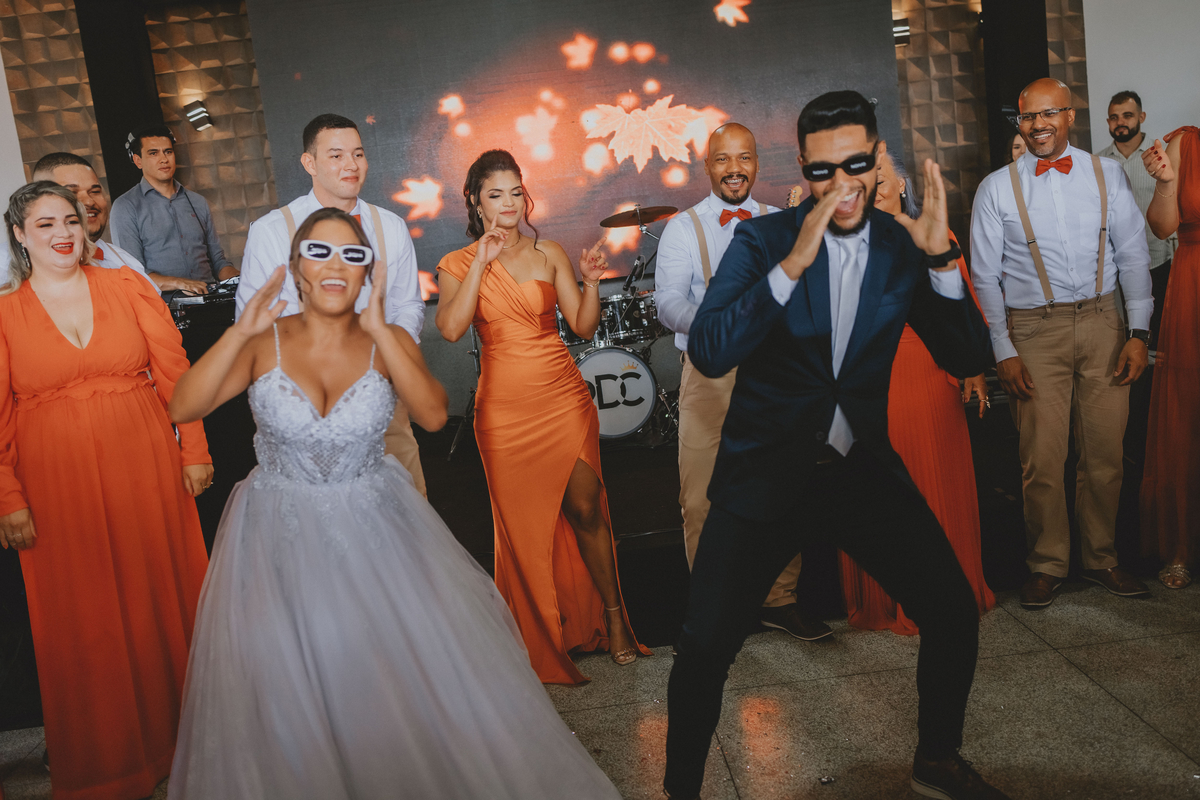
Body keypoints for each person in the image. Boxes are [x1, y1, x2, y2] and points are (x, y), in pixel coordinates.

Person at [166, 207, 620, 798]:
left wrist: (381, 328)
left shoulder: (385, 341)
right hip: (280, 534)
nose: (335, 265)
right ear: (297, 268)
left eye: (352, 255)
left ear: (367, 272)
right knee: (297, 672)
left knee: (383, 668)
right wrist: (238, 331)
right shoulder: (262, 342)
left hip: (373, 526)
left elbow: (432, 414)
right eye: (319, 252)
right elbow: (183, 405)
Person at [664, 91, 1005, 800]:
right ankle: (680, 790)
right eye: (823, 171)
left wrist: (942, 259)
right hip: (765, 474)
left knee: (951, 610)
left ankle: (937, 761)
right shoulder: (763, 242)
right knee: (704, 646)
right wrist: (790, 267)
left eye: (856, 165)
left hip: (860, 471)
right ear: (803, 168)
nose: (842, 183)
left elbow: (967, 353)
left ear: (877, 160)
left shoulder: (901, 246)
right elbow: (710, 348)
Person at [0, 181, 211, 799]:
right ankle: (114, 763)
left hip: (144, 463)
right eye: (45, 224)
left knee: (161, 596)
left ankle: (190, 743)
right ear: (19, 235)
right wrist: (8, 498)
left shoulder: (126, 286)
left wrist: (194, 450)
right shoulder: (4, 314)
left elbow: (175, 373)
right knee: (83, 619)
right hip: (54, 482)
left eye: (70, 220)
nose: (63, 233)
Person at [435, 149, 650, 684]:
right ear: (475, 202)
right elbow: (451, 329)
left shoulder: (548, 251)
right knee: (524, 530)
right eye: (495, 194)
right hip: (503, 412)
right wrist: (481, 261)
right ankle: (545, 636)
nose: (509, 203)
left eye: (516, 192)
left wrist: (591, 282)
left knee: (586, 508)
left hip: (561, 398)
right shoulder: (456, 263)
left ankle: (614, 618)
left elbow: (582, 326)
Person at [970, 77, 1154, 609]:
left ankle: (1101, 557)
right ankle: (1046, 564)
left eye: (1049, 113)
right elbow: (984, 278)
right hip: (1032, 331)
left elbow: (1133, 255)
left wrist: (1139, 333)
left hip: (1104, 323)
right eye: (1028, 116)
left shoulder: (1107, 175)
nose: (1038, 125)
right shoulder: (996, 188)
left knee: (1105, 453)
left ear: (1070, 116)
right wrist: (1002, 348)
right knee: (1042, 458)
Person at [655, 123, 829, 641]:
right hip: (709, 372)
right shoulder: (683, 228)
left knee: (780, 489)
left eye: (744, 157)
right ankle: (713, 611)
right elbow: (668, 302)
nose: (735, 168)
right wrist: (719, 323)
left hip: (773, 373)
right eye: (723, 159)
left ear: (756, 163)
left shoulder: (780, 222)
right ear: (708, 166)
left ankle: (780, 600)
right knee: (700, 497)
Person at [837, 149, 995, 634]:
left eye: (881, 180)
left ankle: (944, 592)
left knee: (931, 480)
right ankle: (890, 597)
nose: (873, 192)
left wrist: (973, 370)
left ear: (903, 184)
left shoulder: (933, 233)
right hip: (868, 377)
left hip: (926, 372)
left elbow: (963, 306)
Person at [237, 113, 428, 496]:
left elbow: (407, 304)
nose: (351, 165)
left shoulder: (390, 226)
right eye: (336, 155)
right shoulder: (272, 231)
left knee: (405, 502)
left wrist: (388, 359)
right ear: (309, 163)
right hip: (304, 400)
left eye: (358, 154)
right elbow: (251, 321)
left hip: (379, 392)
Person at [1140, 126, 1200, 590]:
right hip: (1194, 286)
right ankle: (1182, 545)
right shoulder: (1186, 143)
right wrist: (1164, 183)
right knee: (1189, 410)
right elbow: (1163, 227)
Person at [110, 124, 237, 294]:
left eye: (168, 152)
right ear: (138, 161)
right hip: (162, 305)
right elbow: (133, 273)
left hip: (209, 299)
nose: (164, 159)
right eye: (153, 153)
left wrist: (242, 278)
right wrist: (181, 284)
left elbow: (218, 262)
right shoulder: (125, 206)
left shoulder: (198, 202)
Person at [1097, 91, 1178, 345]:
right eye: (1114, 117)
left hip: (1158, 259)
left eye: (1127, 115)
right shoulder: (1097, 164)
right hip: (1115, 264)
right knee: (1121, 333)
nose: (1120, 122)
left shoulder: (1162, 158)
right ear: (1108, 121)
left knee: (1162, 334)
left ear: (1141, 117)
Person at [30, 151, 158, 292]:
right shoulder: (19, 273)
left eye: (95, 191)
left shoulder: (121, 259)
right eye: (71, 193)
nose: (89, 201)